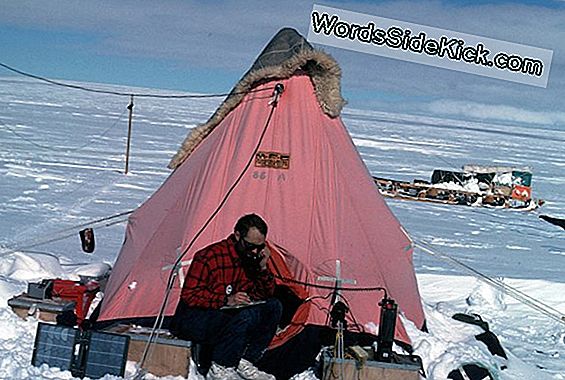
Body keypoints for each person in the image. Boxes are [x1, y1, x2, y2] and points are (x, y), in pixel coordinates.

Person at [171, 214, 282, 380]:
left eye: (259, 247)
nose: (254, 251)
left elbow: (264, 294)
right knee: (243, 316)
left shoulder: (251, 259)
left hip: (231, 315)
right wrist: (225, 299)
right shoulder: (209, 256)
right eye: (250, 246)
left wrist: (262, 267)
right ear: (237, 236)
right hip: (196, 317)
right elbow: (189, 295)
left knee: (273, 306)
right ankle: (221, 365)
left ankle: (245, 360)